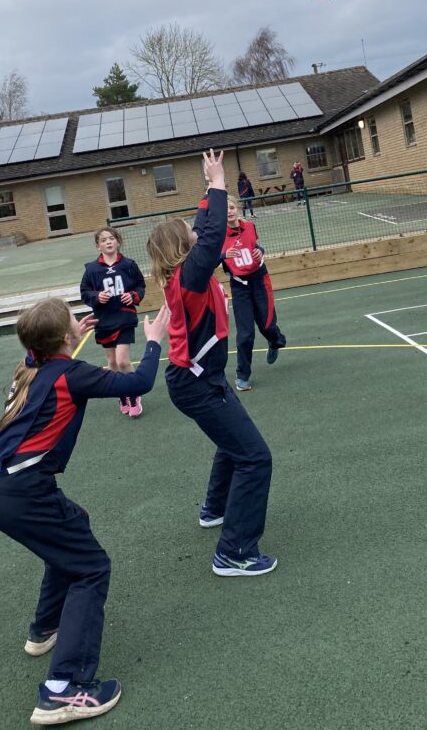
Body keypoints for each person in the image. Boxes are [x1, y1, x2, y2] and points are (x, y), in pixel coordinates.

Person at [0, 297, 169, 726]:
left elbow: (53, 360)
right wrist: (154, 341)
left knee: (73, 527)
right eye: (71, 324)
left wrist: (71, 331)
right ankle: (64, 689)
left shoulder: (31, 366)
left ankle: (44, 628)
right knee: (91, 567)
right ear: (64, 338)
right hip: (22, 492)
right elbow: (138, 382)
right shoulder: (71, 374)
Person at [146, 149, 277, 578]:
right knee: (256, 458)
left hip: (200, 379)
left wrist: (207, 187)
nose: (195, 231)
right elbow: (215, 229)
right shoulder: (191, 276)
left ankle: (214, 508)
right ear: (181, 247)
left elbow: (205, 227)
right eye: (188, 232)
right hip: (197, 383)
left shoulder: (184, 273)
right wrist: (219, 183)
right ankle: (234, 552)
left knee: (233, 442)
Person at [222, 196, 286, 391]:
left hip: (259, 279)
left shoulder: (249, 227)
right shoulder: (217, 236)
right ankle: (242, 376)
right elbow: (213, 259)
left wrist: (260, 250)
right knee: (245, 333)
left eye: (232, 207)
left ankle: (275, 341)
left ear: (238, 209)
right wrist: (223, 256)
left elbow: (255, 246)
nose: (229, 211)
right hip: (240, 286)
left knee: (267, 325)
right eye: (225, 209)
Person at [80, 228, 146, 418]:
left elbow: (140, 286)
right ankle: (122, 393)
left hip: (124, 317)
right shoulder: (91, 270)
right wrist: (96, 296)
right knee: (112, 362)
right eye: (103, 240)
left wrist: (133, 296)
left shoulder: (129, 265)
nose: (108, 242)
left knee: (123, 360)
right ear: (97, 245)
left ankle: (134, 393)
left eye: (111, 238)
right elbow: (85, 292)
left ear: (118, 242)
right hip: (104, 320)